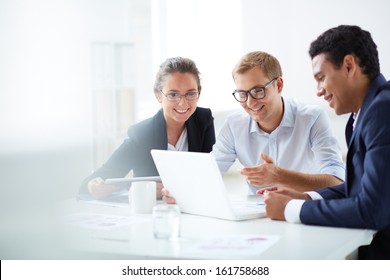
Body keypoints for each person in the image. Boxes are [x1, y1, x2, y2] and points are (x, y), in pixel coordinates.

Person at [258, 25, 390, 259]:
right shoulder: (360, 116)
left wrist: (290, 209)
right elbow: (361, 190)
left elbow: (373, 211)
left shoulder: (382, 110)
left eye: (321, 78)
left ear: (349, 66)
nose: (318, 91)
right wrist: (305, 196)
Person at [162, 51, 345, 203]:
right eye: (242, 93)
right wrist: (177, 191)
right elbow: (209, 173)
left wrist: (280, 176)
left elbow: (338, 182)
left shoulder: (312, 119)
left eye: (258, 90)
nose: (250, 102)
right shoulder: (235, 125)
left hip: (304, 211)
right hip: (258, 216)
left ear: (279, 85)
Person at [80, 57, 216, 200]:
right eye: (173, 94)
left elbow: (209, 175)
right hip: (152, 212)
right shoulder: (142, 135)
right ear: (158, 95)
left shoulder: (203, 120)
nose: (183, 103)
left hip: (193, 207)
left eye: (190, 94)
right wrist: (92, 186)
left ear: (198, 93)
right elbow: (103, 175)